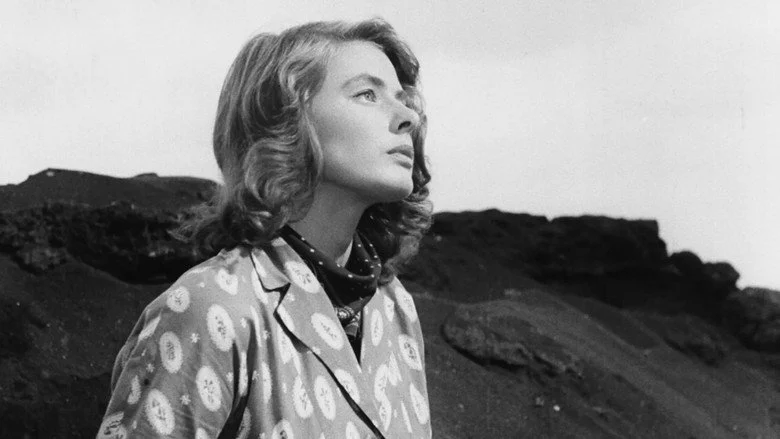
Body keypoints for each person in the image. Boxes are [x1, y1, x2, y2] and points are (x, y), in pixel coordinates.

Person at [96, 17, 433, 439]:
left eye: (403, 99)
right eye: (367, 94)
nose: (408, 117)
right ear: (286, 120)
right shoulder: (212, 307)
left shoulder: (394, 308)